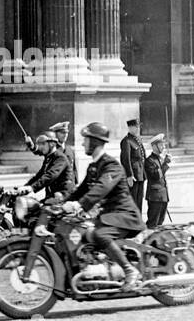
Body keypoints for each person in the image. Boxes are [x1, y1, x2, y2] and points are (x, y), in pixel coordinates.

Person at [61, 122, 147, 286]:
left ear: (94, 141)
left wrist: (79, 206)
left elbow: (101, 189)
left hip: (124, 215)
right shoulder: (94, 166)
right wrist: (62, 204)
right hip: (109, 216)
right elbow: (81, 190)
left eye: (85, 140)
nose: (82, 143)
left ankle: (130, 270)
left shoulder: (111, 165)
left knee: (100, 235)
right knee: (83, 231)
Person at [120, 118, 147, 213]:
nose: (138, 129)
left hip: (140, 174)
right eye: (136, 127)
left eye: (138, 127)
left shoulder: (137, 140)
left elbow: (143, 157)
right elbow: (125, 160)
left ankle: (138, 219)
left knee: (139, 199)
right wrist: (129, 175)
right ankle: (132, 220)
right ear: (130, 128)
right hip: (134, 176)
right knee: (133, 200)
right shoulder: (126, 141)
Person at [144, 134, 172, 228]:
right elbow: (156, 176)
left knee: (160, 224)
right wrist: (165, 164)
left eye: (163, 145)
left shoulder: (161, 159)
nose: (163, 147)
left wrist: (164, 163)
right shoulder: (149, 160)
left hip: (163, 195)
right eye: (160, 145)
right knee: (153, 223)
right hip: (155, 196)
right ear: (154, 146)